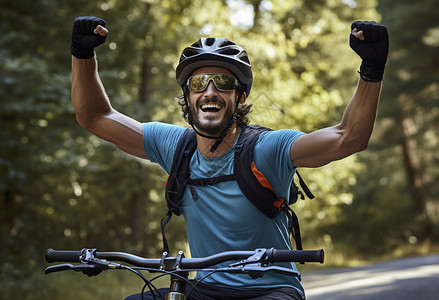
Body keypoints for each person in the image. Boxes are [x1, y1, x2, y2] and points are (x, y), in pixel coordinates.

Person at [70, 16, 388, 300]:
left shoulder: (268, 149)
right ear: (188, 97)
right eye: (198, 83)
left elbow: (349, 137)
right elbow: (94, 116)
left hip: (272, 289)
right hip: (204, 289)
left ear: (240, 97)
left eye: (222, 83)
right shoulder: (175, 147)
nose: (209, 91)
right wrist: (83, 56)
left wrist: (371, 72)